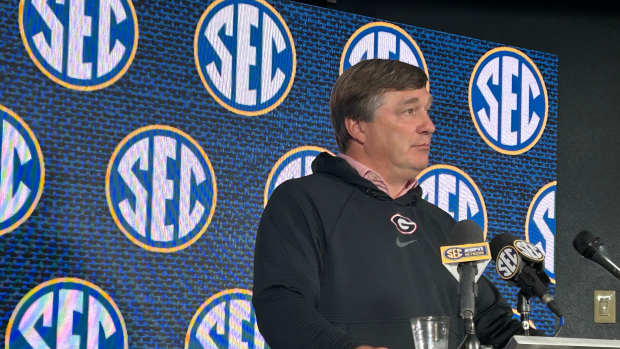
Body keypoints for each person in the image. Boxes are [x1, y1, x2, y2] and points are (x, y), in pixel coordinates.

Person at [252, 59, 527, 349]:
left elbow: (492, 322)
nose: (429, 126)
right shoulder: (302, 202)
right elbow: (281, 307)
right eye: (409, 111)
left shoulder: (444, 226)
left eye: (427, 111)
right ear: (358, 127)